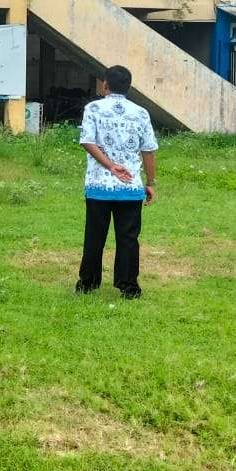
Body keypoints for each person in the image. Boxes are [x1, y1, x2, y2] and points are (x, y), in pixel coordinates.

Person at [77, 65, 158, 298]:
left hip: (98, 186)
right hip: (130, 187)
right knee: (128, 239)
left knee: (94, 236)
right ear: (129, 87)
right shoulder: (141, 113)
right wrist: (150, 182)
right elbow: (149, 151)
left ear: (105, 85)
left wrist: (109, 166)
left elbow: (87, 141)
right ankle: (129, 286)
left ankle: (88, 283)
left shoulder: (92, 108)